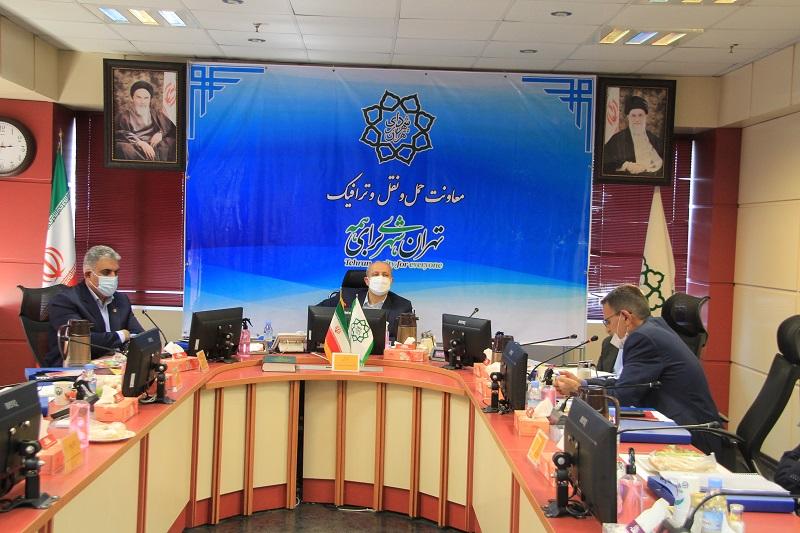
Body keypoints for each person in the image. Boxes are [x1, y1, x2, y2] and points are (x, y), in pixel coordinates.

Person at [555, 284, 722, 454]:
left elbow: (623, 396)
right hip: (681, 425)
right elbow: (624, 383)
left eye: (608, 321)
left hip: (692, 436)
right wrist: (584, 383)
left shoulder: (643, 338)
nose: (607, 329)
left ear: (625, 317)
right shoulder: (654, 327)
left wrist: (579, 390)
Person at [45, 245, 143, 367]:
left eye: (116, 272)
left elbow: (139, 335)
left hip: (114, 367)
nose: (113, 277)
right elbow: (82, 342)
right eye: (106, 272)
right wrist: (122, 335)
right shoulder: (64, 301)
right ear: (88, 274)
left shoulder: (121, 300)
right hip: (75, 370)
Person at [318, 261, 412, 341]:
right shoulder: (346, 296)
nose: (380, 279)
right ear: (367, 281)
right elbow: (317, 312)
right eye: (375, 274)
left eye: (385, 275)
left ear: (391, 281)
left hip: (382, 354)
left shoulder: (403, 306)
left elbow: (403, 340)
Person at [114, 79, 176, 162]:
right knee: (123, 147)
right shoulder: (123, 116)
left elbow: (171, 128)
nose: (142, 102)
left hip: (154, 145)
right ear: (132, 98)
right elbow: (118, 133)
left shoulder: (157, 114)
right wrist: (140, 143)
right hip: (134, 145)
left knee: (171, 142)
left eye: (146, 98)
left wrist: (161, 134)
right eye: (138, 97)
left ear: (150, 99)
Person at [603, 95, 664, 175]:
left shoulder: (655, 140)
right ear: (628, 117)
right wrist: (626, 165)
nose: (637, 119)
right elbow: (604, 163)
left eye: (640, 115)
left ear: (646, 116)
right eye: (633, 115)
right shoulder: (616, 140)